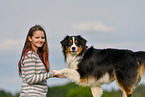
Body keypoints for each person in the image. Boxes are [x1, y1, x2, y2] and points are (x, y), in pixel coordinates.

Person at [18, 25, 65, 97]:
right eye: (37, 37)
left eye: (42, 38)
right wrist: (51, 74)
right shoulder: (30, 55)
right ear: (30, 38)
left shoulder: (36, 55)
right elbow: (30, 79)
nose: (40, 40)